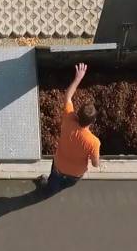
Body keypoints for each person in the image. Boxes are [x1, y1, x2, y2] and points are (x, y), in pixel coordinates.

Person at [36, 63, 101, 194]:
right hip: (75, 173)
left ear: (77, 114)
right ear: (93, 121)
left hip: (59, 165)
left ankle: (49, 188)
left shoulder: (68, 119)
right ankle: (57, 188)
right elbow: (95, 164)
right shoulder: (94, 142)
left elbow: (68, 96)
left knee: (53, 181)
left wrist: (78, 78)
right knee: (66, 184)